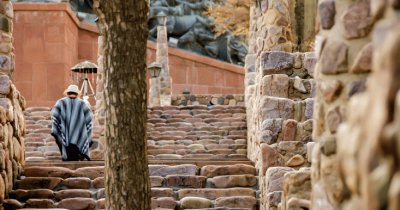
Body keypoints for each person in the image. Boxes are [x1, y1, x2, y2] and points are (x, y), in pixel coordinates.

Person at [51, 85, 93, 161]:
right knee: (76, 157)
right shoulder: (83, 104)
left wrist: (60, 128)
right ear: (77, 93)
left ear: (67, 93)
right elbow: (89, 120)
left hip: (65, 134)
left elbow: (54, 117)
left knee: (67, 155)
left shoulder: (60, 103)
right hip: (79, 135)